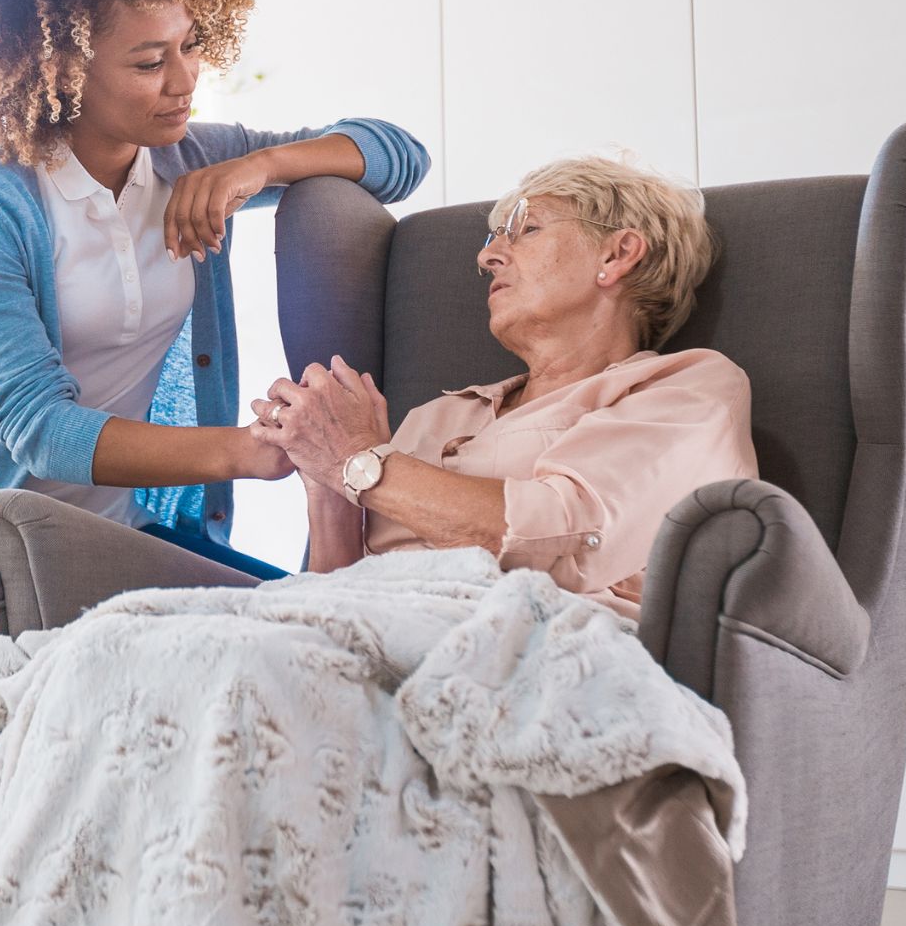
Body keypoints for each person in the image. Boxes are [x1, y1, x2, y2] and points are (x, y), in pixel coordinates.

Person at [0, 0, 430, 637]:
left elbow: (400, 156)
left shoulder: (190, 158)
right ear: (60, 69)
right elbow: (38, 427)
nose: (185, 80)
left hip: (118, 544)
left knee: (309, 626)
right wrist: (246, 450)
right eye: (148, 62)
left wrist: (258, 167)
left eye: (192, 45)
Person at [252, 154, 755, 618]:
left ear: (618, 253)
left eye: (527, 229)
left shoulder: (683, 391)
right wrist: (326, 481)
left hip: (543, 647)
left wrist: (356, 460)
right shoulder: (436, 417)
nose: (488, 255)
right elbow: (329, 601)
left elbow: (563, 538)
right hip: (373, 640)